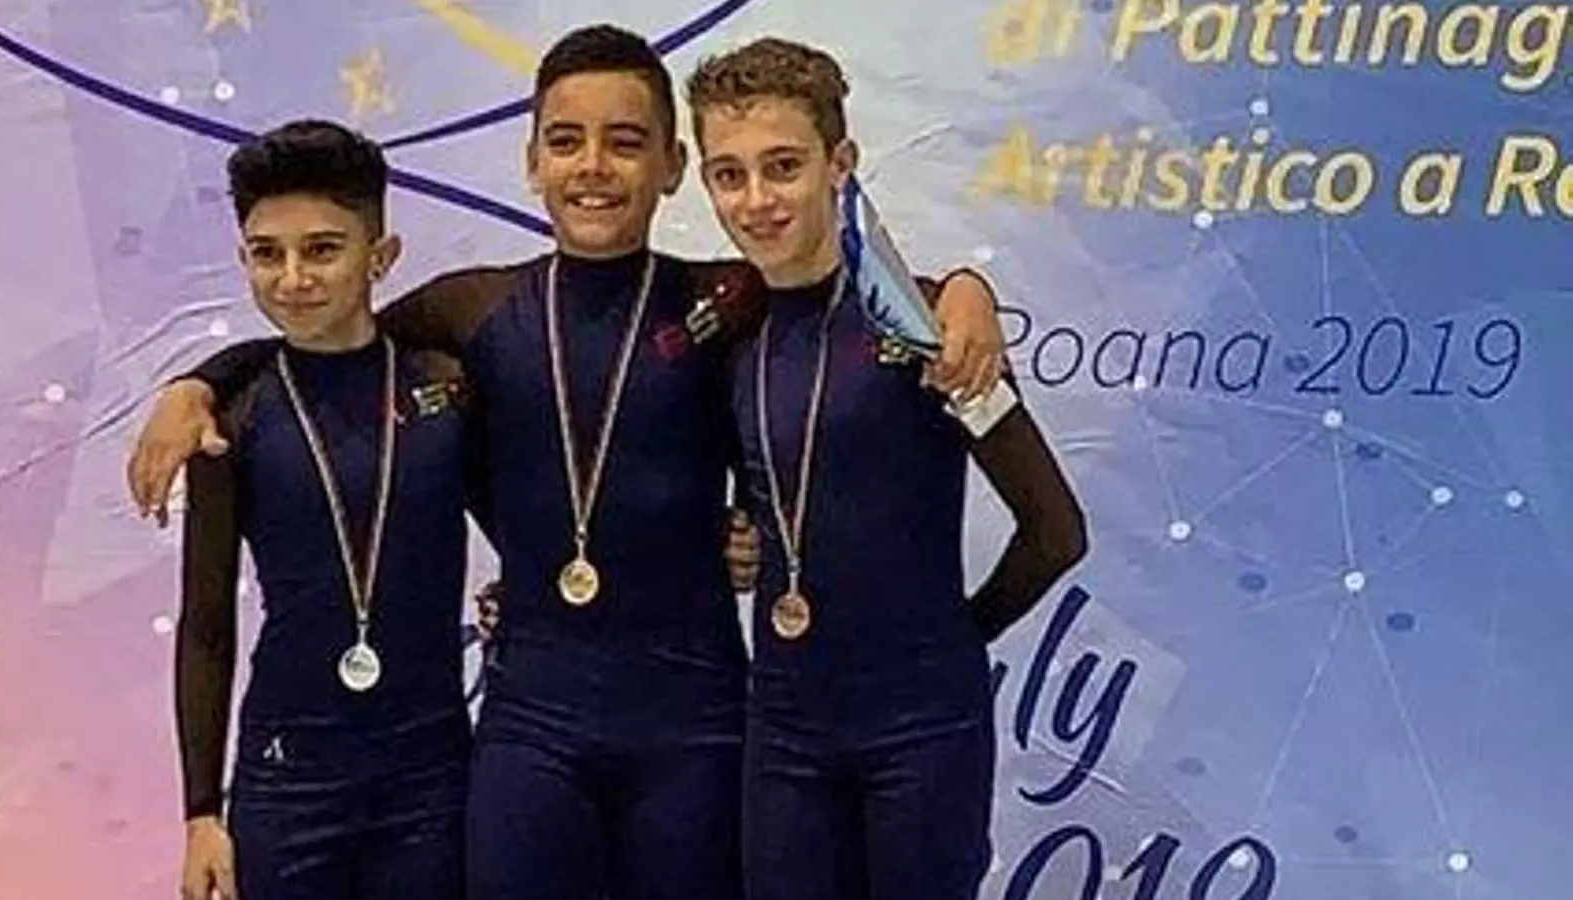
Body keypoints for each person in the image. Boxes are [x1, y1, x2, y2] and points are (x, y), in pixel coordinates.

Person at [132, 25, 1009, 900]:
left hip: (697, 733)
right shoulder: (474, 309)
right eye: (564, 141)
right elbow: (327, 336)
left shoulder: (725, 298)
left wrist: (967, 289)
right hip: (532, 734)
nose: (592, 166)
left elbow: (840, 295)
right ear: (531, 162)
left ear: (672, 166)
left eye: (624, 142)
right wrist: (197, 383)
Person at [684, 37, 1089, 900]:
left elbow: (1056, 533)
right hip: (783, 735)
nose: (756, 199)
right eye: (729, 174)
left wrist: (953, 639)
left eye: (784, 166)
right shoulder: (728, 332)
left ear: (841, 163)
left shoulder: (928, 322)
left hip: (921, 736)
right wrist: (734, 539)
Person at [175, 120, 482, 900]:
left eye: (321, 250)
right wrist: (202, 812)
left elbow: (536, 515)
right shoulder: (228, 417)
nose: (292, 278)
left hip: (431, 773)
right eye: (266, 253)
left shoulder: (449, 387)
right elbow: (206, 623)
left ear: (381, 256)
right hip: (288, 777)